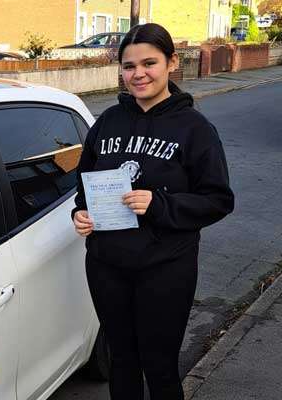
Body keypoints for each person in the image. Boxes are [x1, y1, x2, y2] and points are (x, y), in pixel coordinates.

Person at [72, 23, 234, 400]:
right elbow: (85, 184)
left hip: (165, 268)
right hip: (107, 265)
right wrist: (80, 214)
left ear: (171, 63)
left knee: (159, 367)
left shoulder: (195, 128)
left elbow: (218, 199)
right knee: (122, 361)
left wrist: (158, 203)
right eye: (129, 66)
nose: (138, 74)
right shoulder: (108, 122)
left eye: (149, 63)